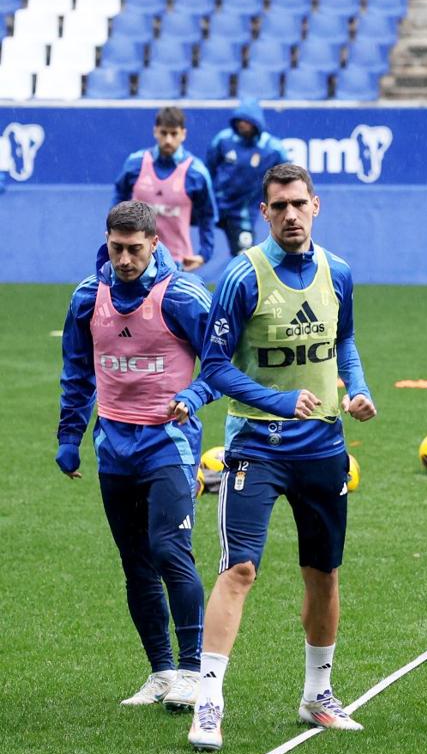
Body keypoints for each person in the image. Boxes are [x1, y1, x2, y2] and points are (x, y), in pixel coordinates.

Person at [189, 164, 376, 751]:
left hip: (324, 446)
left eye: (299, 204)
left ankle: (317, 695)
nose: (290, 215)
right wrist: (278, 400)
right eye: (279, 207)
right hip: (256, 447)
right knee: (239, 569)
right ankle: (209, 701)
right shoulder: (242, 275)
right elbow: (215, 367)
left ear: (316, 206)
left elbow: (342, 339)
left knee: (323, 573)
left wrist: (357, 387)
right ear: (265, 213)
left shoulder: (338, 272)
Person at [56, 200, 217, 712]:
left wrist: (192, 397)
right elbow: (78, 371)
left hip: (169, 444)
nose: (124, 259)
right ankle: (162, 671)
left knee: (170, 550)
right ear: (107, 242)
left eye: (134, 249)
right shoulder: (88, 297)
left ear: (153, 243)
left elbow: (220, 363)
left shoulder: (184, 296)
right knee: (136, 564)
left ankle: (193, 671)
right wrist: (69, 434)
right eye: (116, 248)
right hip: (113, 447)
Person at [114, 106, 218, 273]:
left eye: (174, 134)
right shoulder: (136, 164)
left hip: (177, 263)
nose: (168, 140)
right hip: (137, 260)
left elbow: (208, 216)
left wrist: (204, 254)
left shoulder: (196, 172)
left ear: (183, 134)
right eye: (163, 133)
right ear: (155, 131)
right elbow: (118, 203)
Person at [205, 98, 289, 257]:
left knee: (245, 259)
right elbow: (208, 170)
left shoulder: (272, 148)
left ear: (256, 122)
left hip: (242, 213)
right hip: (214, 206)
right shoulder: (223, 140)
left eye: (246, 120)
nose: (241, 124)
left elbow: (289, 176)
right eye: (238, 120)